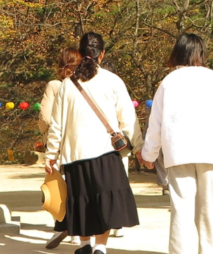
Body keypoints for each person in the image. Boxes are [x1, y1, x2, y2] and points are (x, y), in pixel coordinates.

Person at [139, 33, 213, 254]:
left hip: (178, 151)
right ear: (201, 53)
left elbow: (155, 123)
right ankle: (209, 250)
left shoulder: (168, 81)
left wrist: (149, 154)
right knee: (208, 206)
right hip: (209, 150)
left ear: (178, 52)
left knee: (181, 207)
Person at [45, 33, 139, 254]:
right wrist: (140, 146)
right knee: (105, 201)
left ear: (80, 53)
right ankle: (100, 247)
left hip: (75, 154)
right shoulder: (113, 80)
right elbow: (128, 118)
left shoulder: (67, 85)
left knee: (82, 201)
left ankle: (85, 245)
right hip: (106, 152)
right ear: (102, 54)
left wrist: (51, 154)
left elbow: (56, 124)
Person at [38, 47, 81, 250]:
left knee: (58, 186)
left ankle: (62, 223)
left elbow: (45, 117)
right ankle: (80, 230)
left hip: (57, 143)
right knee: (78, 184)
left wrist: (45, 132)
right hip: (79, 142)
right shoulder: (83, 85)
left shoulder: (54, 85)